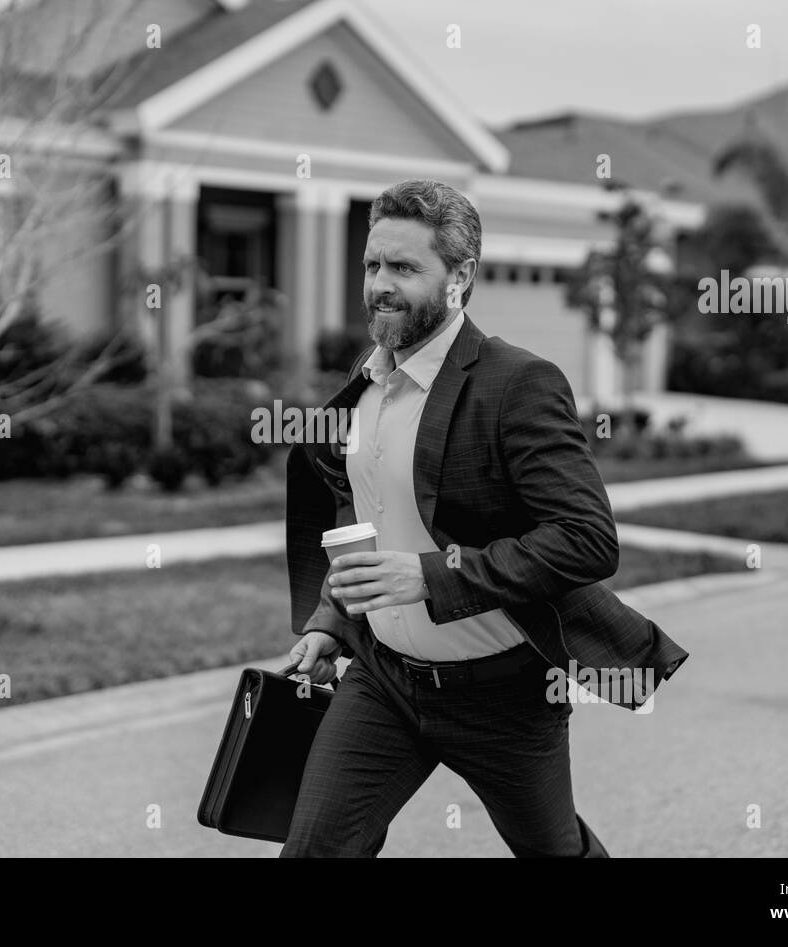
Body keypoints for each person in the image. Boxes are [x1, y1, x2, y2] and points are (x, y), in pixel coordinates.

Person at [281, 179, 688, 858]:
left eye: (404, 268)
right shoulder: (364, 389)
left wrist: (431, 578)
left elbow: (586, 539)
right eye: (372, 264)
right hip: (383, 680)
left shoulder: (515, 384)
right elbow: (364, 514)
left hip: (501, 693)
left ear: (459, 277)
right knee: (314, 850)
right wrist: (333, 620)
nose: (379, 284)